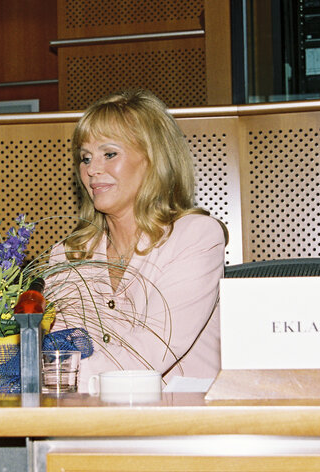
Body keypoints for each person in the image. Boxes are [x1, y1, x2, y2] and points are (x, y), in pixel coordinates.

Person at [45, 90, 227, 391]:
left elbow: (149, 354)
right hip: (91, 424)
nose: (92, 169)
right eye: (85, 158)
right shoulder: (68, 255)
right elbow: (58, 350)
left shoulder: (196, 236)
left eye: (109, 154)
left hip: (185, 425)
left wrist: (43, 375)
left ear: (153, 160)